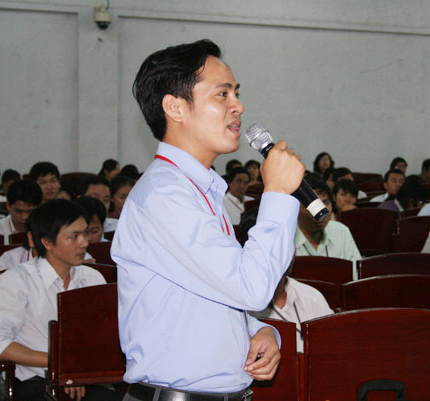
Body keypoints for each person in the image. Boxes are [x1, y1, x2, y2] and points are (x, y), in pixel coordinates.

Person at [112, 39, 305, 399]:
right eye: (222, 94)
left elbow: (206, 298)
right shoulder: (165, 196)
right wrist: (277, 193)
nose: (238, 106)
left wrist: (258, 330)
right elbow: (250, 288)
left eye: (237, 93)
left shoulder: (196, 189)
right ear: (175, 107)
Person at [0, 199, 119, 401]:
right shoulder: (15, 281)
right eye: (74, 237)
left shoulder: (92, 278)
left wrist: (76, 372)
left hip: (87, 378)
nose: (84, 242)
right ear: (47, 242)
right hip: (36, 382)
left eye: (85, 234)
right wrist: (63, 365)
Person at [251, 255, 333, 353]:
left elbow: (332, 346)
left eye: (290, 246)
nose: (287, 252)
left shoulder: (312, 297)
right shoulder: (242, 305)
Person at [294, 174, 361, 269]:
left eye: (325, 203)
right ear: (295, 208)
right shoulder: (285, 239)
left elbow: (356, 274)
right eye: (313, 206)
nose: (320, 211)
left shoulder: (341, 232)